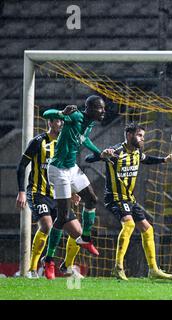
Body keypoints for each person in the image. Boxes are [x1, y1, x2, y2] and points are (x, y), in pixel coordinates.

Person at [85, 123, 172, 280]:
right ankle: (118, 267)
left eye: (143, 136)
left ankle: (153, 270)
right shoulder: (116, 152)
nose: (142, 139)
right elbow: (88, 159)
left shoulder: (136, 152)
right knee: (129, 225)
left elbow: (146, 159)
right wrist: (102, 155)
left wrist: (164, 159)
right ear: (128, 135)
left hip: (129, 199)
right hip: (115, 197)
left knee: (147, 229)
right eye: (139, 135)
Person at [40, 95, 115, 280]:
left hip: (72, 168)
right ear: (88, 108)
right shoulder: (75, 116)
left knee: (92, 199)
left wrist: (101, 153)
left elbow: (84, 140)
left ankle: (85, 238)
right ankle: (48, 260)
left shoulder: (89, 123)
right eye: (100, 108)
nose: (103, 111)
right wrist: (60, 112)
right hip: (58, 170)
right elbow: (46, 113)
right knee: (63, 216)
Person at [15, 116, 82, 278]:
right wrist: (21, 191)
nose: (60, 124)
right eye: (57, 121)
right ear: (50, 123)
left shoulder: (64, 142)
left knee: (78, 233)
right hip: (38, 193)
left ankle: (67, 266)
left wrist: (73, 191)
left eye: (62, 121)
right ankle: (32, 269)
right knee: (46, 225)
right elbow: (22, 165)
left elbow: (68, 169)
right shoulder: (38, 141)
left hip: (59, 195)